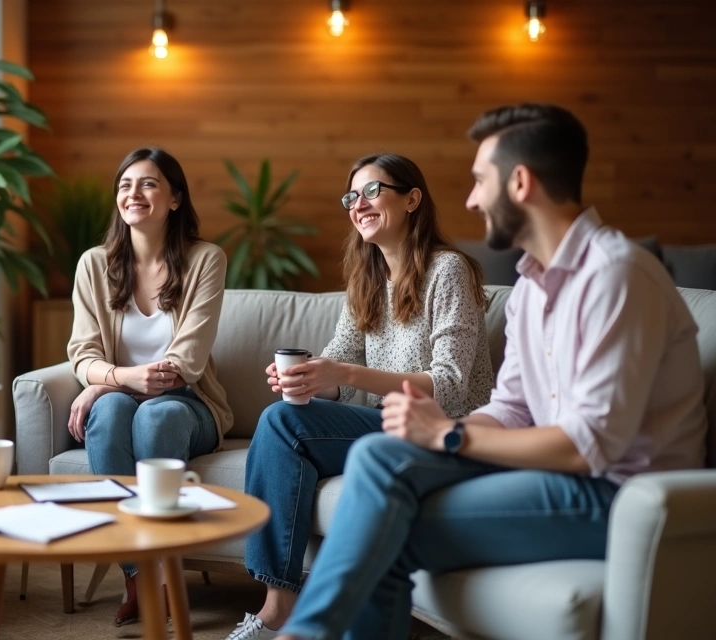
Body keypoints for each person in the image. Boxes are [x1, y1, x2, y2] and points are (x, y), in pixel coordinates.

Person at [267, 104, 709, 640]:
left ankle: (302, 633)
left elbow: (588, 445)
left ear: (520, 182)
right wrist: (437, 434)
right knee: (377, 452)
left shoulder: (614, 276)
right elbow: (512, 409)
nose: (473, 199)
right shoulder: (531, 287)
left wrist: (448, 433)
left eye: (480, 181)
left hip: (616, 493)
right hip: (550, 473)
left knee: (386, 528)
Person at [227, 153, 494, 640]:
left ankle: (281, 610)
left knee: (282, 424)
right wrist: (307, 380)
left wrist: (345, 372)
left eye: (373, 191)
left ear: (412, 199)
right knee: (282, 415)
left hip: (445, 428)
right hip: (386, 426)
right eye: (352, 196)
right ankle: (278, 603)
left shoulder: (449, 271)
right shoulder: (366, 278)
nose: (359, 204)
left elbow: (451, 384)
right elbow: (338, 369)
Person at [66, 146, 232, 626]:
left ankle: (160, 570)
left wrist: (106, 383)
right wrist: (114, 382)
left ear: (175, 198)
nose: (133, 193)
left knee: (154, 413)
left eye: (148, 183)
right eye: (124, 184)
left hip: (189, 404)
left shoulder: (206, 259)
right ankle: (140, 573)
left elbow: (187, 361)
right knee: (114, 412)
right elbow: (82, 355)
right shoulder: (94, 264)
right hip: (122, 397)